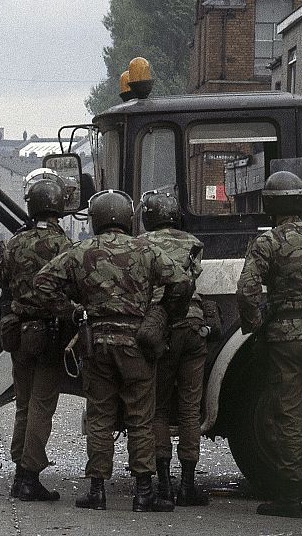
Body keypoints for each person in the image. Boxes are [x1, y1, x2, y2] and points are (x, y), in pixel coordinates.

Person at [33, 189, 192, 512]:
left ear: (96, 221)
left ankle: (97, 491)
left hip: (96, 344)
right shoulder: (145, 250)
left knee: (100, 417)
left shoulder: (81, 251)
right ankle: (144, 492)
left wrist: (73, 311)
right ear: (129, 219)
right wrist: (162, 315)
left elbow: (42, 283)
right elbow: (182, 281)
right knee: (140, 417)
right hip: (137, 344)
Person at [236, 171, 302, 518]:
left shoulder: (268, 243)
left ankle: (289, 497)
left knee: (288, 415)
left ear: (270, 205)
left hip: (286, 340)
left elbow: (247, 290)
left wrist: (256, 326)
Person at [0, 174, 72, 501]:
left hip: (18, 333)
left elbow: (1, 278)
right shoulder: (63, 244)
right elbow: (74, 283)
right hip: (48, 334)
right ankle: (29, 476)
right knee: (42, 405)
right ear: (57, 207)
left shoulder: (16, 242)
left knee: (24, 404)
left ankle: (19, 471)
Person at [138, 191, 209, 509]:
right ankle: (188, 485)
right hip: (193, 325)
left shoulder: (141, 243)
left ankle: (164, 483)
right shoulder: (194, 241)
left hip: (162, 327)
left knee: (160, 409)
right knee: (190, 410)